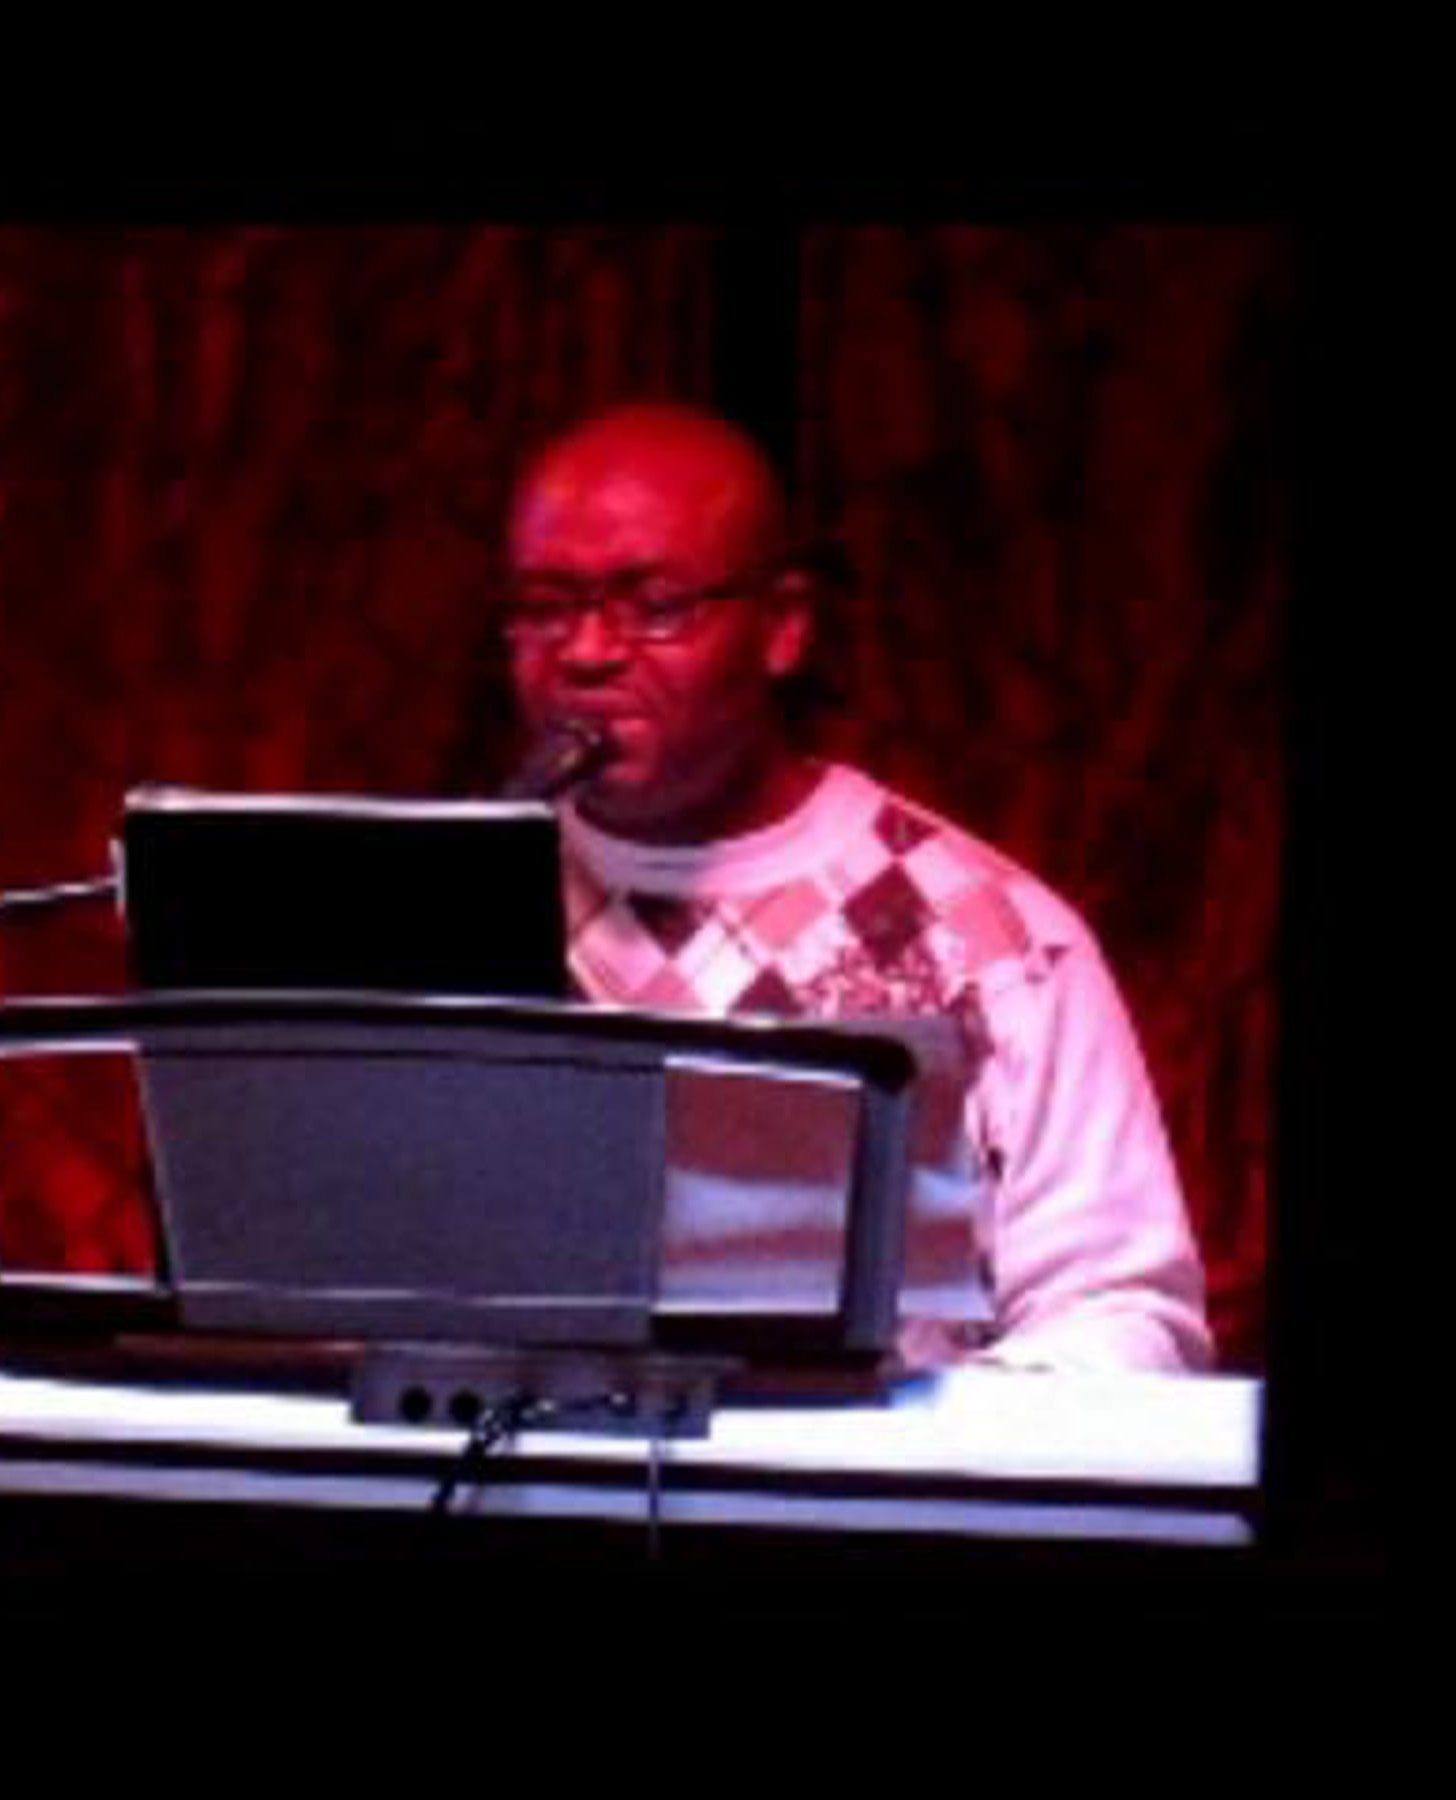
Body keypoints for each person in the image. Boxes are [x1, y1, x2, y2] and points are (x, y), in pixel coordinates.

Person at [499, 400, 1212, 1373]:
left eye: (655, 607)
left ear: (784, 627)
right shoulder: (436, 915)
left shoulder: (994, 935)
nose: (586, 652)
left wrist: (912, 1442)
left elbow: (1119, 1313)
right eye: (545, 608)